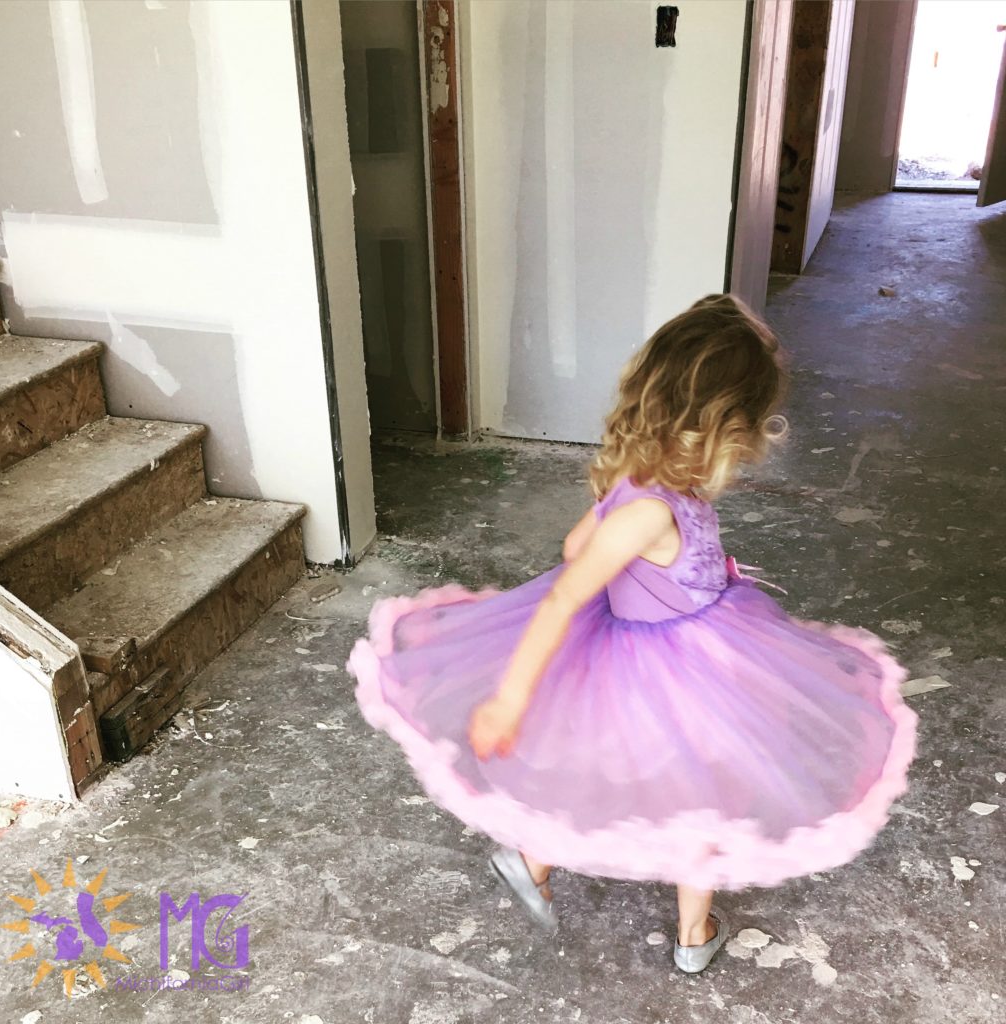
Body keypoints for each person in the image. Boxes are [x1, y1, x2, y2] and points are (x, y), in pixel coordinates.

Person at [347, 294, 917, 974]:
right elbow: (563, 595)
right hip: (677, 663)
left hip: (691, 642)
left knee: (600, 766)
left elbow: (572, 543)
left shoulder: (645, 481)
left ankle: (532, 861)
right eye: (746, 431)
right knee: (707, 792)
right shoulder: (650, 509)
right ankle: (692, 933)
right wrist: (507, 700)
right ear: (723, 425)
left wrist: (614, 525)